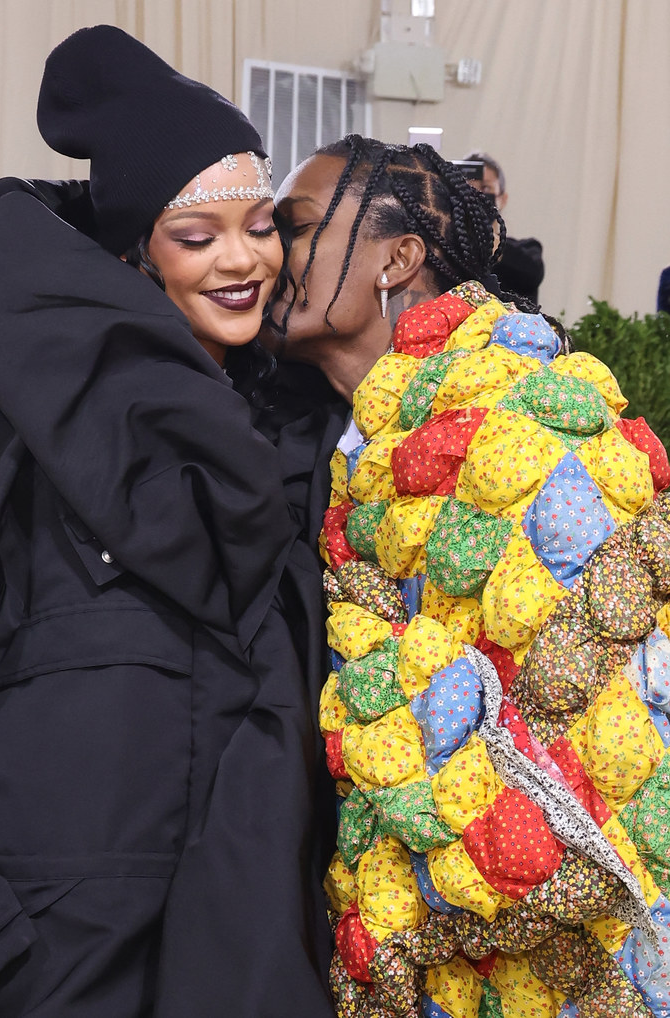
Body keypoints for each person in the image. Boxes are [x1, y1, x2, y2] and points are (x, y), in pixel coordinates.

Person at [0, 27, 336, 1018]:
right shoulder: (13, 442)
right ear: (133, 252)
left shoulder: (294, 445)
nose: (241, 260)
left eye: (260, 225)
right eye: (198, 237)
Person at [266, 135, 670, 1016]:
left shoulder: (520, 416)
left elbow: (598, 724)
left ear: (396, 259)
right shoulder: (340, 455)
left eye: (294, 228)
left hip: (562, 942)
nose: (268, 254)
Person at [462, 149, 544, 305]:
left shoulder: (526, 251)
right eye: (468, 188)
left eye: (486, 188)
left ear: (502, 198)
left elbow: (532, 272)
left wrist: (487, 241)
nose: (477, 195)